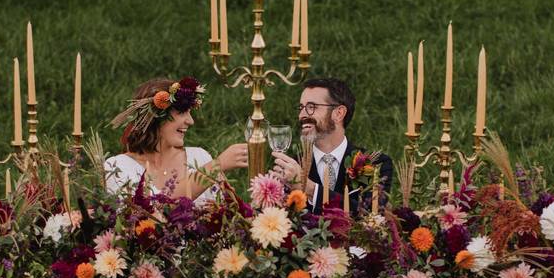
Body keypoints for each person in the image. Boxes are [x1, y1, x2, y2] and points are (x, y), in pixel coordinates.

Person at [105, 77, 248, 203]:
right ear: (156, 117)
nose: (191, 121)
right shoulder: (117, 167)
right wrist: (216, 166)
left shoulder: (200, 157)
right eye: (181, 112)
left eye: (190, 113)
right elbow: (155, 212)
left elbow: (234, 213)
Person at [271, 77, 393, 214]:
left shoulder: (375, 163)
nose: (302, 115)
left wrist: (309, 188)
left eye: (311, 107)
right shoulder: (289, 167)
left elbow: (370, 215)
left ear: (339, 113)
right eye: (301, 108)